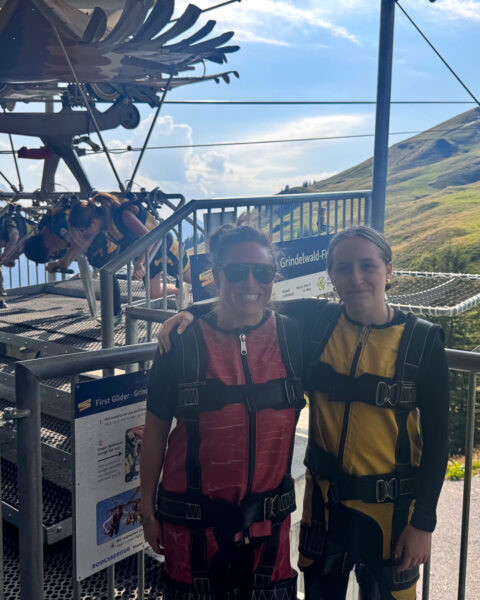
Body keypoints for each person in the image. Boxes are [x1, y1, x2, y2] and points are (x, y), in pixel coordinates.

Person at [157, 225, 449, 600]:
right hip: (324, 511)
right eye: (343, 268)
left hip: (393, 514)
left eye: (367, 266)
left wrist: (424, 523)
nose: (355, 278)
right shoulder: (317, 321)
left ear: (388, 270)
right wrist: (190, 312)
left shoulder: (422, 340)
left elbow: (438, 439)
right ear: (331, 276)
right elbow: (245, 303)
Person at [140, 224, 305, 600]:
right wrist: (147, 511)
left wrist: (192, 307)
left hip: (268, 532)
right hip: (193, 530)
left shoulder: (293, 335)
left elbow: (355, 306)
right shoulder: (181, 341)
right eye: (236, 271)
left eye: (262, 272)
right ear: (215, 277)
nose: (251, 282)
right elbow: (155, 431)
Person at [58, 193, 191, 299]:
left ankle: (203, 290)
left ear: (93, 222)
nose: (84, 233)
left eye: (83, 230)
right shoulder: (103, 223)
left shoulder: (123, 216)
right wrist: (66, 260)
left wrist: (139, 263)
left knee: (189, 278)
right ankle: (179, 291)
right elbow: (84, 242)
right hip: (147, 256)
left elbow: (150, 238)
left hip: (164, 248)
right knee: (154, 294)